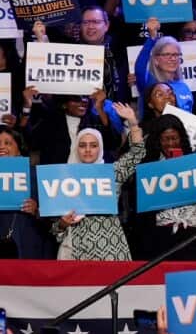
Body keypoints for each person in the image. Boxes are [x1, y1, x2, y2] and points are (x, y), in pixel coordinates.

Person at [50, 106, 144, 260]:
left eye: (93, 145)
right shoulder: (64, 177)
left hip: (111, 249)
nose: (88, 150)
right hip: (75, 250)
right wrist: (63, 223)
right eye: (82, 145)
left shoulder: (112, 173)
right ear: (76, 148)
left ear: (100, 148)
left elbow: (137, 154)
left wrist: (133, 123)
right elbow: (55, 229)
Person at [131, 114, 196, 260]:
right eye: (165, 139)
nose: (170, 143)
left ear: (182, 138)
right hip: (160, 238)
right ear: (158, 141)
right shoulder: (148, 169)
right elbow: (139, 210)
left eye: (174, 138)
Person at [0, 127, 47, 259]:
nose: (1, 147)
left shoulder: (36, 175)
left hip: (27, 242)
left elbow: (53, 219)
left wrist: (36, 210)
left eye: (7, 143)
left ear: (19, 149)